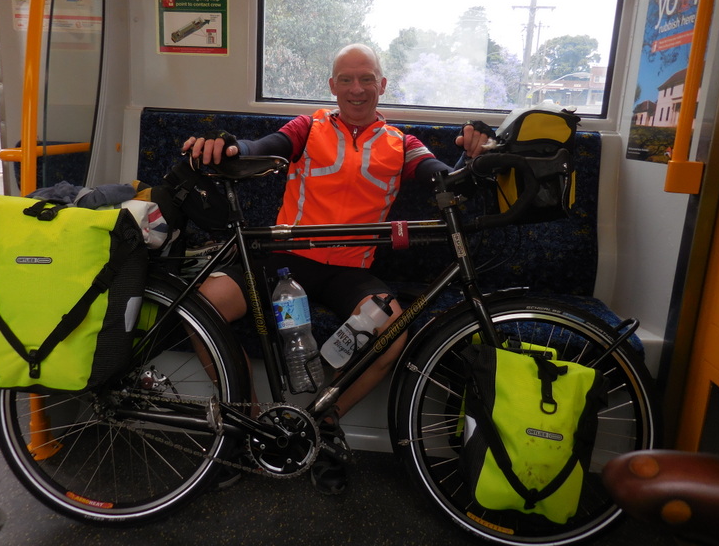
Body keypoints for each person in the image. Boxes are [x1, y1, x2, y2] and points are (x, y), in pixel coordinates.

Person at [183, 43, 493, 495]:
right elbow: (260, 148)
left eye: (366, 79)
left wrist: (476, 154)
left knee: (393, 331)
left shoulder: (402, 143)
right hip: (286, 259)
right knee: (201, 307)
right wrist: (228, 146)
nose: (356, 88)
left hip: (350, 269)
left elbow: (444, 178)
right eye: (346, 79)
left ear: (382, 85)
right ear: (332, 86)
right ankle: (247, 424)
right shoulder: (308, 127)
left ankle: (324, 425)